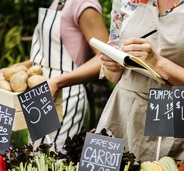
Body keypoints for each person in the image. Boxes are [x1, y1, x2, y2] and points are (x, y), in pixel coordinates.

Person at [96, 0, 184, 168]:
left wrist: (158, 63)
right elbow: (113, 76)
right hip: (122, 117)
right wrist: (111, 63)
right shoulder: (124, 2)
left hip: (179, 123)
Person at [6, 0, 109, 149]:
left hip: (64, 96)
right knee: (35, 157)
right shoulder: (58, 2)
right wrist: (17, 68)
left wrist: (58, 82)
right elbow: (47, 58)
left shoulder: (84, 4)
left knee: (54, 161)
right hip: (39, 93)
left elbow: (105, 57)